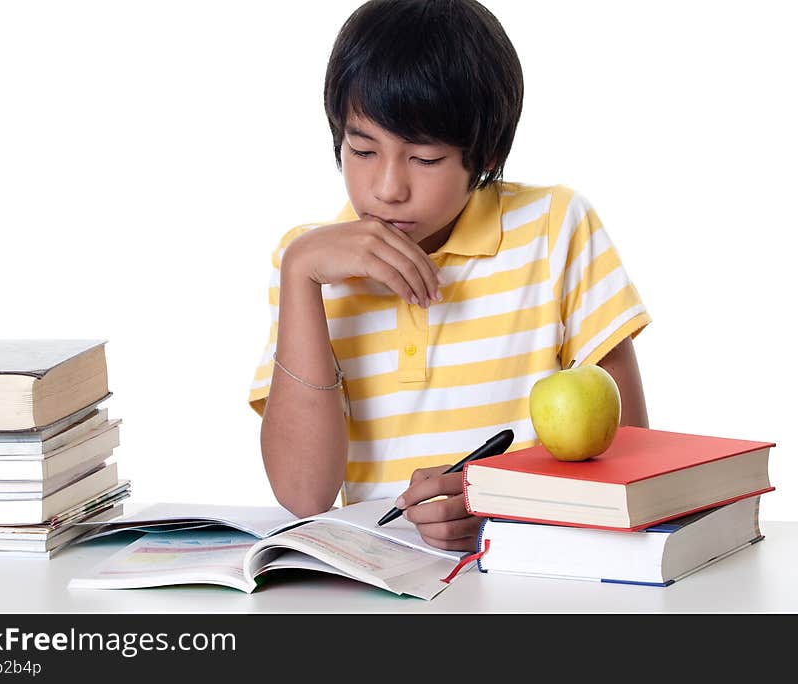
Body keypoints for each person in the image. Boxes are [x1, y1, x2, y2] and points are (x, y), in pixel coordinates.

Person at [248, 0, 650, 551]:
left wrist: (501, 501)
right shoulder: (312, 261)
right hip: (379, 582)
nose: (387, 188)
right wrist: (299, 275)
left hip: (534, 578)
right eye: (362, 149)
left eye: (426, 159)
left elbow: (631, 455)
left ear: (485, 155)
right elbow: (303, 494)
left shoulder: (556, 228)